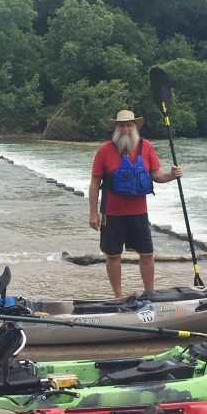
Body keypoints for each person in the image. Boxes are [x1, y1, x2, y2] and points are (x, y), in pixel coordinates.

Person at [88, 110, 183, 298]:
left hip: (139, 212)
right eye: (121, 125)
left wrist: (173, 175)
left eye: (128, 125)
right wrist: (93, 213)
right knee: (113, 255)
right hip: (112, 213)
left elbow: (156, 175)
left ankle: (150, 293)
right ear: (116, 128)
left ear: (135, 127)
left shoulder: (146, 147)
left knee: (147, 253)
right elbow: (94, 182)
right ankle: (118, 296)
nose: (125, 129)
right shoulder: (104, 150)